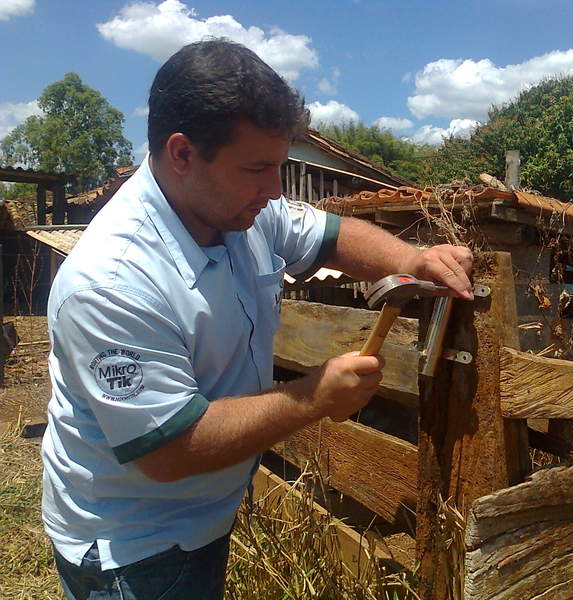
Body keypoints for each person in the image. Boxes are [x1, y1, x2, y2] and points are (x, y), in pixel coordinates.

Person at [41, 38, 473, 599]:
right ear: (182, 153)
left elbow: (330, 237)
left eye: (279, 167)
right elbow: (171, 450)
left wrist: (413, 260)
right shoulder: (112, 282)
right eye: (257, 169)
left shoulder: (240, 210)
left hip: (199, 516)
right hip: (136, 545)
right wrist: (312, 398)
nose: (274, 190)